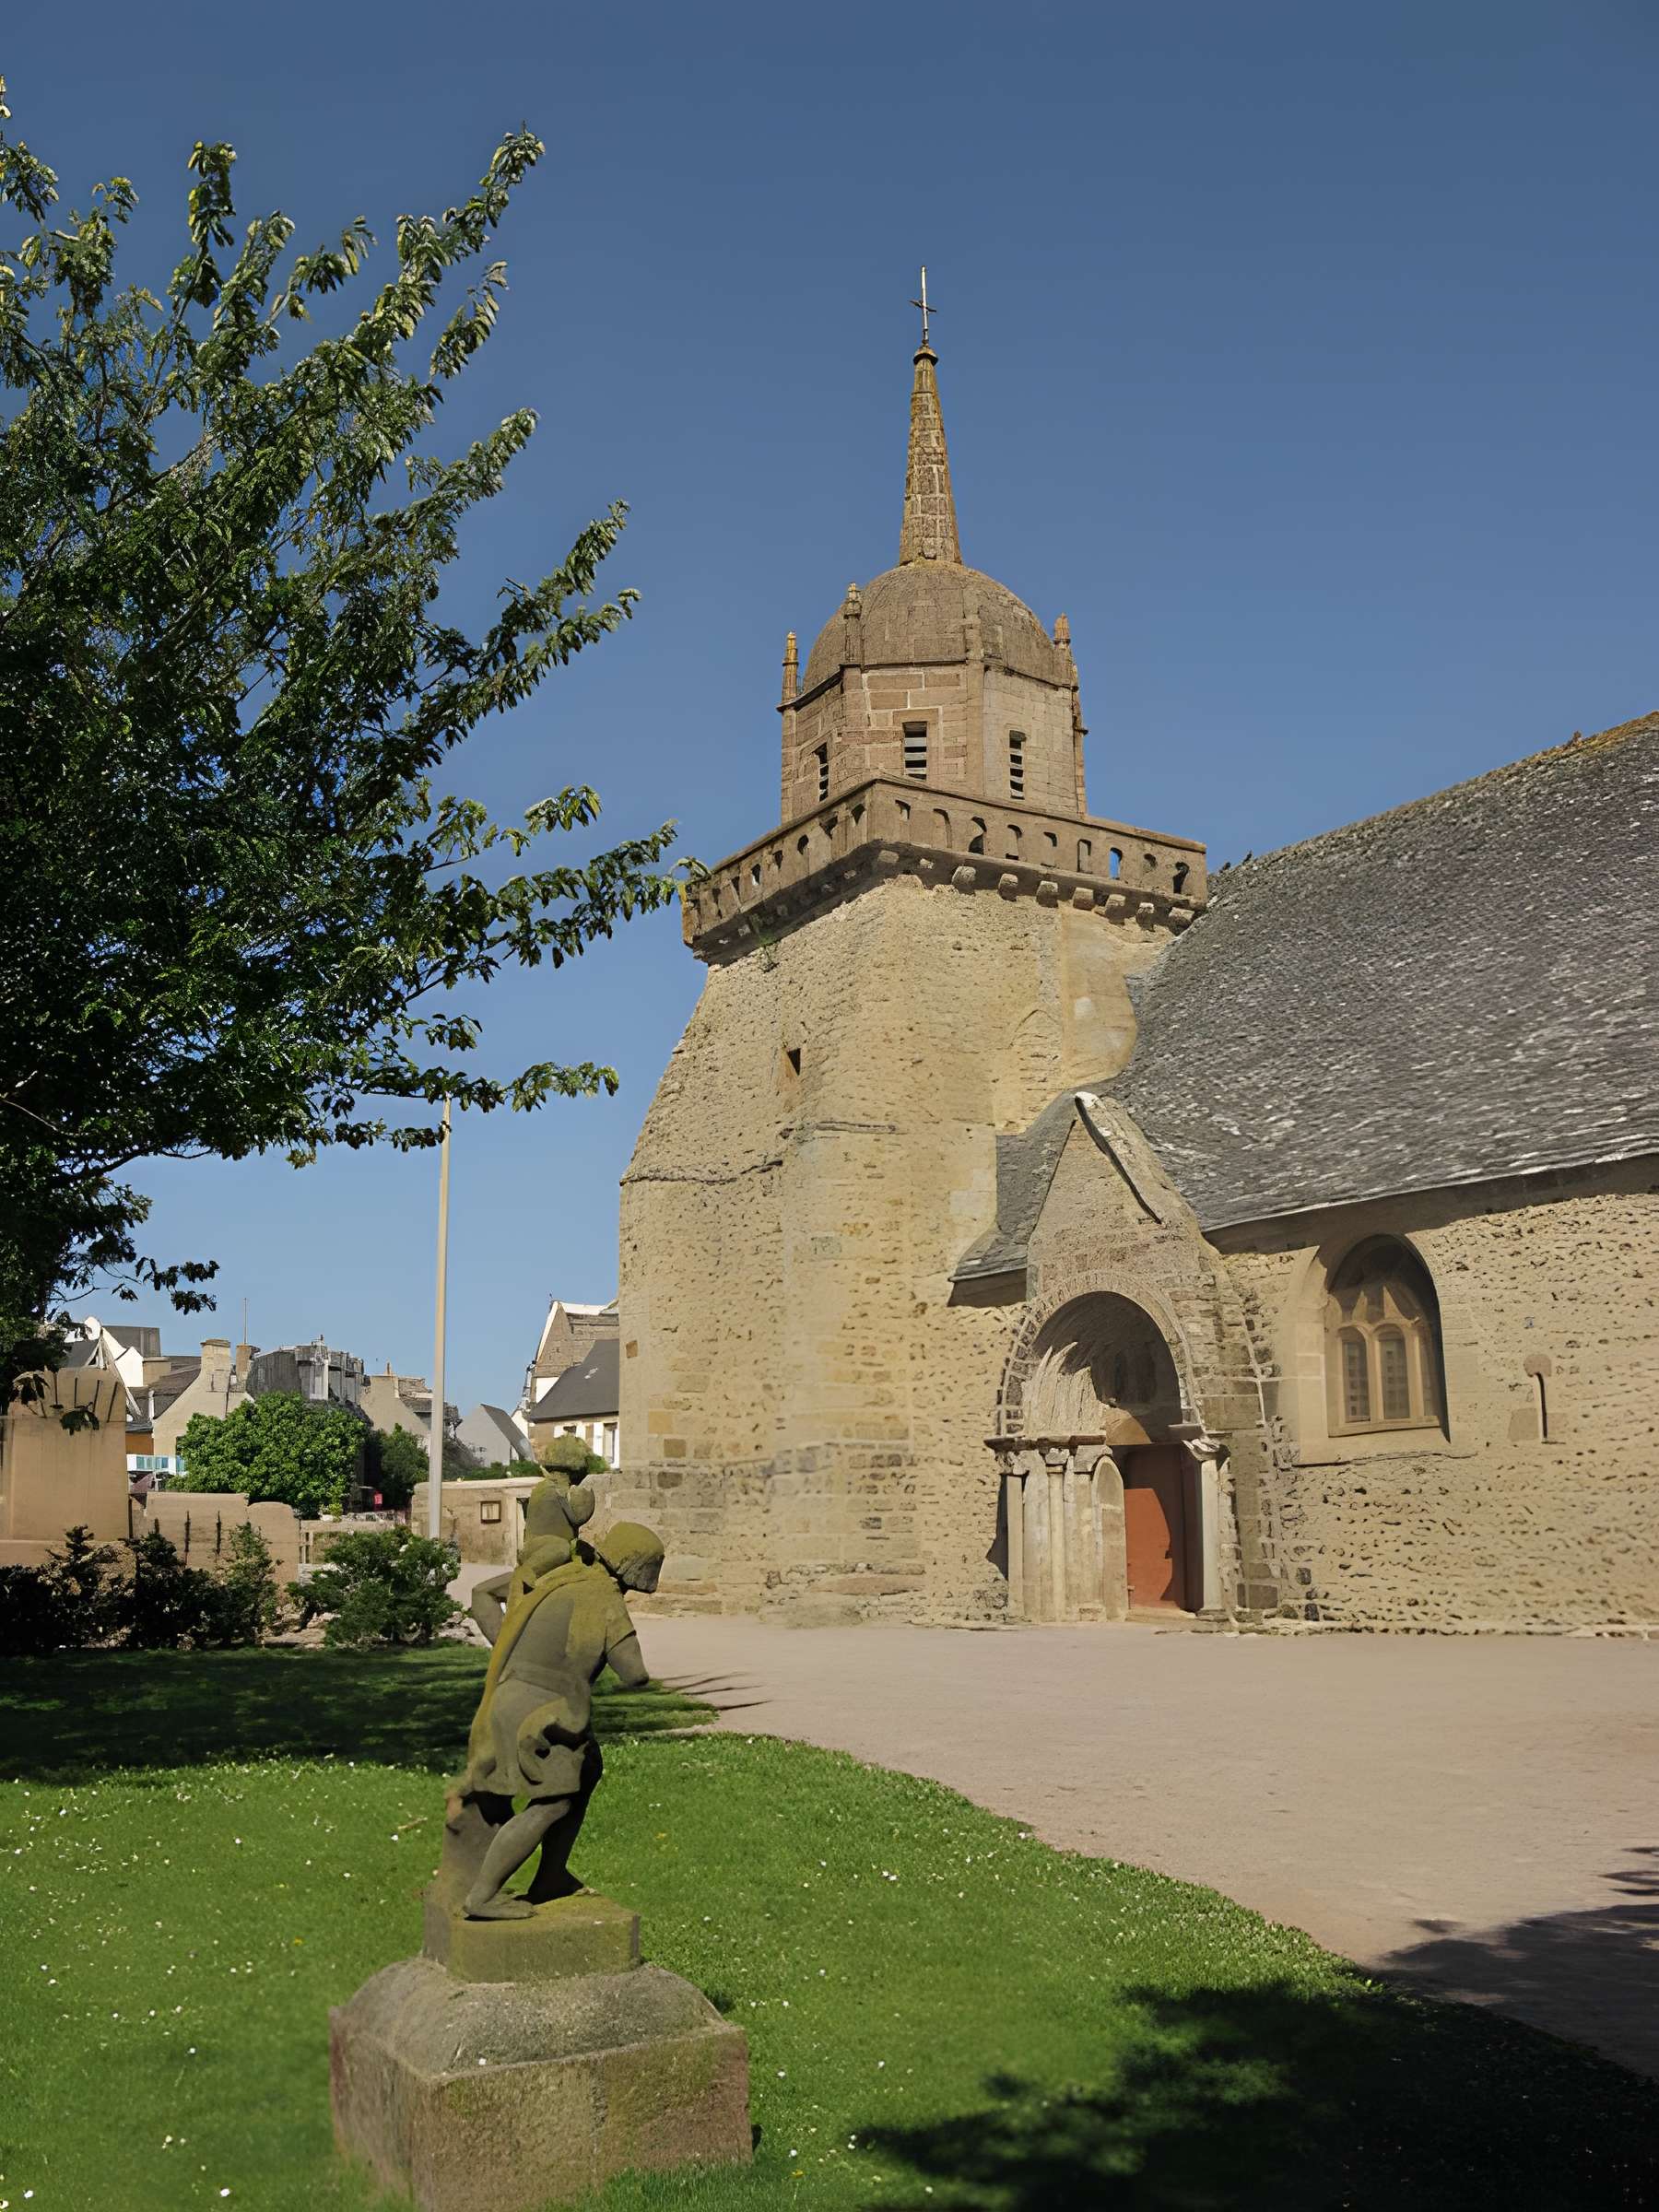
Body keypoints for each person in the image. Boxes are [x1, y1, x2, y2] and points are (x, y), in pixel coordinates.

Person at [447, 1520, 665, 1919]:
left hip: (511, 1697)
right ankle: (482, 1896)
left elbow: (494, 1601)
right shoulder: (604, 1598)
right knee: (551, 1802)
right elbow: (633, 1672)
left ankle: (551, 1876)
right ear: (640, 1570)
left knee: (586, 1772)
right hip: (542, 1712)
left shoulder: (565, 1578)